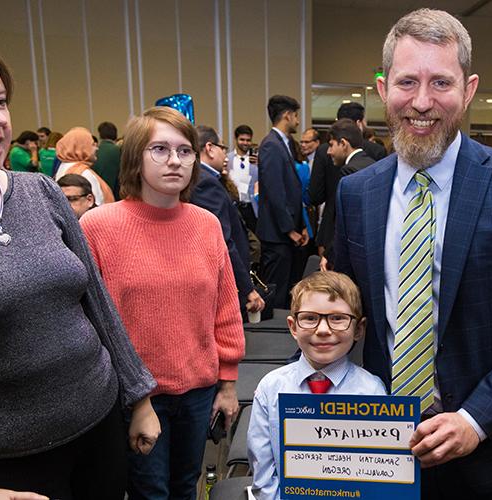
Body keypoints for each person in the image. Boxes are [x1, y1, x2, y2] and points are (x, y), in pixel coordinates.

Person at [0, 22, 160, 500]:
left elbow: (96, 301)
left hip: (100, 430)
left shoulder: (40, 191)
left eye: (0, 100)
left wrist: (138, 396)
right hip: (1, 468)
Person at [333, 9, 492, 498]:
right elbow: (346, 311)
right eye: (407, 82)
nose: (422, 102)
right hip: (387, 452)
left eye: (441, 82)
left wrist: (475, 419)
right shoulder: (355, 193)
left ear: (468, 90)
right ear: (382, 90)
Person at [80, 106, 245, 500]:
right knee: (149, 492)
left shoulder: (205, 225)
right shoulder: (98, 227)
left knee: (186, 488)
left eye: (185, 150)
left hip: (198, 390)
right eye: (160, 149)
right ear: (136, 158)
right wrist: (132, 397)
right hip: (133, 395)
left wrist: (228, 382)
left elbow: (225, 308)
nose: (174, 160)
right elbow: (90, 321)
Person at [247, 271, 386, 499]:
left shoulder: (372, 391)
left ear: (359, 329)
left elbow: (378, 472)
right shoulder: (270, 388)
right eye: (310, 318)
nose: (322, 330)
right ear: (293, 327)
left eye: (338, 318)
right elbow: (263, 473)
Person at [190, 125, 265, 319]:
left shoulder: (204, 178)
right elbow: (223, 240)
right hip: (220, 280)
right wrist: (247, 287)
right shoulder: (205, 182)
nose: (225, 153)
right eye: (222, 147)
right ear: (209, 148)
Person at [256, 95, 308, 308]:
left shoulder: (283, 144)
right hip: (277, 234)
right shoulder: (271, 145)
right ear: (287, 115)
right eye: (296, 115)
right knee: (275, 291)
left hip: (285, 232)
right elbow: (275, 192)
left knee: (285, 287)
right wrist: (289, 230)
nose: (297, 121)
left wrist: (301, 226)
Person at [320, 118, 375, 270]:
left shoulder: (349, 171)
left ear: (343, 143)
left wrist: (329, 253)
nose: (328, 152)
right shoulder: (373, 165)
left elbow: (345, 221)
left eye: (331, 145)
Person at [55, 126, 115, 205]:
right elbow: (97, 203)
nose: (97, 148)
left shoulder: (64, 166)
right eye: (93, 145)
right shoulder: (83, 173)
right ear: (81, 148)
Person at [226, 124, 259, 231]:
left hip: (251, 206)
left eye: (248, 140)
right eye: (242, 139)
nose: (245, 143)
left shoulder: (256, 160)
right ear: (236, 139)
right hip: (234, 206)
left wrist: (260, 164)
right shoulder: (227, 158)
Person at [94, 121, 122, 199]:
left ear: (100, 135)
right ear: (115, 134)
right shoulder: (118, 150)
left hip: (99, 194)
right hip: (115, 195)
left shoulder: (95, 151)